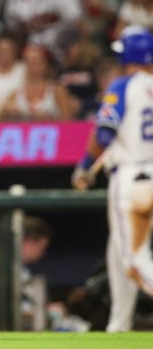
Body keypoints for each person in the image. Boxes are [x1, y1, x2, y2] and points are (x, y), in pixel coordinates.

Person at [72, 26, 153, 332]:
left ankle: (119, 324)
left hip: (131, 178)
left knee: (134, 259)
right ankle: (118, 327)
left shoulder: (123, 85)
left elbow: (105, 132)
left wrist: (84, 167)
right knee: (117, 253)